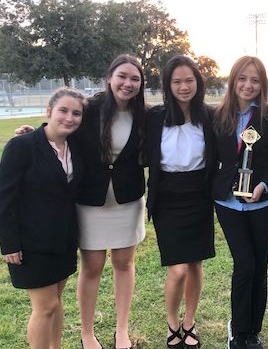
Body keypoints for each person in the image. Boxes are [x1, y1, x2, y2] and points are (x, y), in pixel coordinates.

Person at [212, 56, 268, 349]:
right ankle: (238, 329)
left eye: (255, 80)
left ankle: (253, 331)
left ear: (263, 84)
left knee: (260, 266)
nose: (248, 85)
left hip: (261, 204)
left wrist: (263, 184)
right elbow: (212, 159)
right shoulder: (218, 116)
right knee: (244, 264)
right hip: (229, 205)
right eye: (242, 78)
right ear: (233, 80)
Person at [0, 87, 85, 349]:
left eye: (76, 113)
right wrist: (9, 243)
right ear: (48, 112)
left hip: (63, 241)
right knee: (45, 306)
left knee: (56, 302)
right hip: (30, 243)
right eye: (63, 110)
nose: (69, 117)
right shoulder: (22, 146)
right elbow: (5, 197)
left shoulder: (75, 147)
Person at [145, 55, 216, 349]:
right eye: (177, 81)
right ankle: (172, 322)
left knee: (195, 264)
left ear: (198, 83)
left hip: (199, 194)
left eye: (189, 80)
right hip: (168, 196)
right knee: (178, 269)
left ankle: (189, 322)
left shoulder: (210, 116)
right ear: (168, 85)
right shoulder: (154, 116)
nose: (184, 86)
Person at [76, 54, 147, 349]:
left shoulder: (144, 114)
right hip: (90, 199)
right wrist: (36, 135)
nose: (127, 84)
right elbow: (61, 127)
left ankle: (121, 330)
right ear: (109, 78)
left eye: (134, 79)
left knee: (123, 262)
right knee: (91, 266)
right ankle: (87, 333)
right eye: (122, 76)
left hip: (127, 200)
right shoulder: (89, 109)